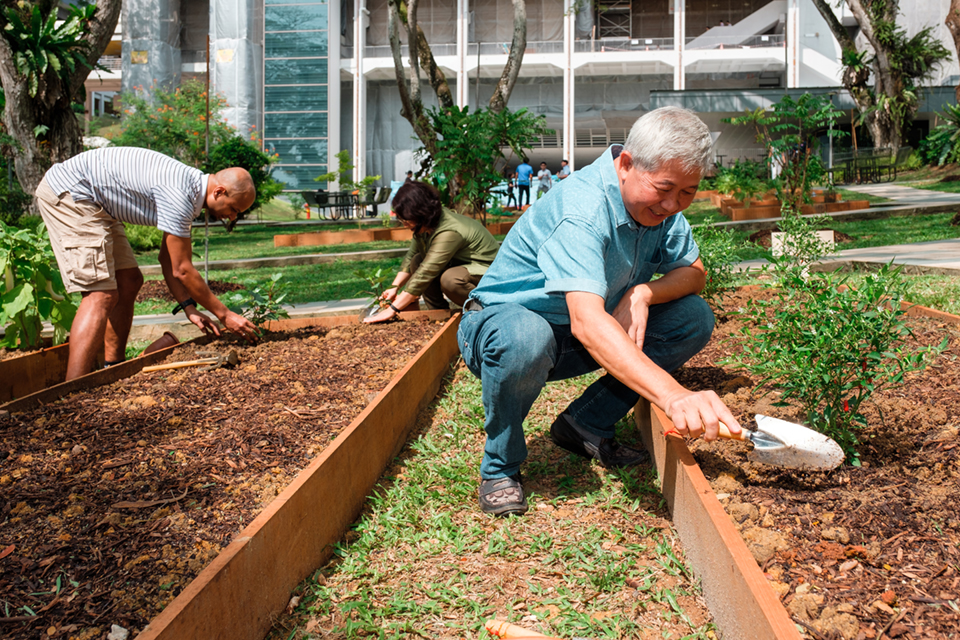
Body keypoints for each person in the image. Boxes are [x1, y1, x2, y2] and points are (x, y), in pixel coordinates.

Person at [457, 106, 742, 517]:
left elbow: (694, 274)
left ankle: (584, 424)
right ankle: (500, 467)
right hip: (501, 327)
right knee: (525, 337)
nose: (673, 204)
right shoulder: (583, 208)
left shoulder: (661, 208)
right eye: (664, 188)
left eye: (688, 192)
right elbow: (589, 322)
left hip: (571, 333)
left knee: (691, 318)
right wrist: (673, 395)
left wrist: (643, 292)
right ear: (625, 163)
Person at [35, 146, 260, 381]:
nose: (233, 217)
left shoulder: (189, 191)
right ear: (219, 192)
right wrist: (225, 315)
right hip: (71, 194)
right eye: (234, 209)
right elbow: (182, 270)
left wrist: (189, 308)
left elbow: (167, 259)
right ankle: (73, 390)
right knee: (100, 295)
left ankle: (112, 367)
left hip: (97, 203)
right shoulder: (180, 194)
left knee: (129, 280)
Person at [363, 181, 500, 323]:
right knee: (417, 260)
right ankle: (440, 315)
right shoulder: (427, 225)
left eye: (406, 219)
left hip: (488, 273)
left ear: (421, 213)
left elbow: (427, 271)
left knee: (450, 279)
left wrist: (392, 310)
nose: (404, 224)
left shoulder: (449, 231)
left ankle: (488, 310)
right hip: (465, 267)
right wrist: (394, 288)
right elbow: (411, 258)